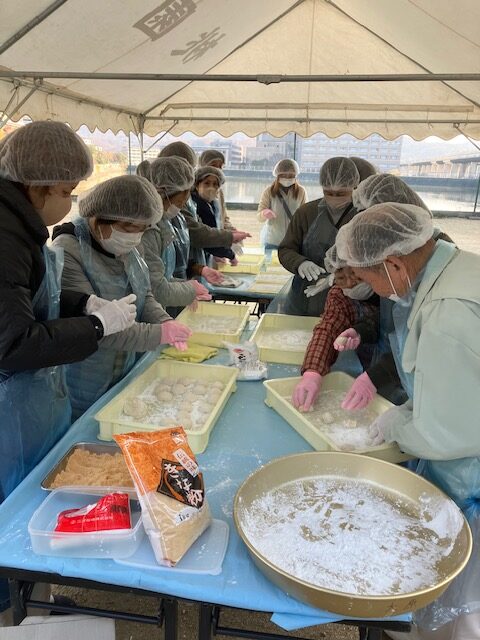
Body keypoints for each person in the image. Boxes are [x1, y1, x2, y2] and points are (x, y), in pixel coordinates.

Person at [0, 121, 136, 618]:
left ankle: (34, 594)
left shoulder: (20, 226)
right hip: (8, 402)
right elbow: (13, 343)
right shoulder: (5, 238)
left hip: (28, 397)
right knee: (9, 508)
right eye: (66, 192)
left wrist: (83, 304)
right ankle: (13, 606)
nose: (69, 203)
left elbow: (35, 298)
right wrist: (96, 327)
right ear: (37, 186)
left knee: (31, 499)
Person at [336, 202, 480, 639]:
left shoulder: (446, 314)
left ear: (395, 264)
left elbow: (448, 432)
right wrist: (410, 408)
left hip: (472, 475)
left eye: (371, 279)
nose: (376, 291)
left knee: (461, 615)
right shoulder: (460, 268)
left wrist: (397, 426)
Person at [52, 175, 192, 419]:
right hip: (84, 377)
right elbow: (97, 327)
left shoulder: (128, 246)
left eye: (142, 229)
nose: (135, 237)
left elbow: (143, 294)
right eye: (128, 228)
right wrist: (159, 334)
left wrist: (165, 321)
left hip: (123, 365)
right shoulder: (67, 251)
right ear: (98, 219)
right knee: (89, 428)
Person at [292, 244, 378, 411]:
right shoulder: (340, 294)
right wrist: (312, 372)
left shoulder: (391, 291)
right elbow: (328, 328)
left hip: (398, 372)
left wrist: (378, 376)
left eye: (356, 277)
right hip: (365, 368)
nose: (350, 284)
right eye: (342, 278)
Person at [277, 156, 360, 316]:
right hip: (304, 295)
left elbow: (372, 262)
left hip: (349, 299)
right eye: (328, 193)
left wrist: (338, 277)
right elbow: (286, 249)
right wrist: (300, 263)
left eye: (341, 193)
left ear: (354, 186)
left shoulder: (363, 216)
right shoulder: (306, 213)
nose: (334, 198)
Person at [158, 143, 248, 283]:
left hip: (187, 269)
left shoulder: (187, 200)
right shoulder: (162, 211)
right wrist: (228, 239)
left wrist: (199, 269)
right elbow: (195, 232)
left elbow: (191, 235)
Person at [139, 157, 212, 311]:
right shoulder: (147, 230)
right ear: (162, 193)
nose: (180, 208)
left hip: (159, 308)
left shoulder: (164, 222)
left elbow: (163, 277)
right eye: (179, 203)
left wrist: (186, 287)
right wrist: (188, 290)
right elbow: (155, 288)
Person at [192, 166, 251, 265]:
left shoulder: (212, 204)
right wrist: (230, 254)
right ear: (197, 185)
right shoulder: (197, 205)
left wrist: (230, 235)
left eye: (215, 184)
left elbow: (215, 230)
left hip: (205, 256)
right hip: (195, 259)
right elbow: (207, 238)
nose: (211, 188)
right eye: (207, 183)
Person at [257, 158, 307, 250]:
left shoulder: (301, 191)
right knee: (271, 259)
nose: (287, 178)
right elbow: (259, 217)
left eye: (291, 175)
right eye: (284, 175)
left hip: (293, 241)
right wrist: (264, 213)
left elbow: (305, 215)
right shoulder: (269, 191)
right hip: (272, 240)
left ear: (295, 175)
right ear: (278, 176)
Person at [198, 149, 233, 231]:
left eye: (221, 166)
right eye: (213, 165)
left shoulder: (219, 192)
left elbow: (223, 216)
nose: (218, 169)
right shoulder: (193, 193)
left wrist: (230, 229)